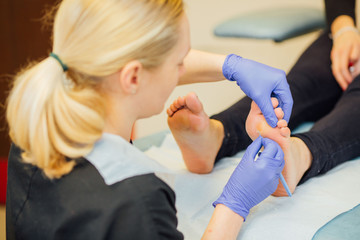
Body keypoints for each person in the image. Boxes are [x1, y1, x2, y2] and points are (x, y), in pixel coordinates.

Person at [5, 0, 291, 239]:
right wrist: (234, 205)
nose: (183, 68)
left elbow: (139, 62)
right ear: (132, 77)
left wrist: (230, 66)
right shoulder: (137, 205)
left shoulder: (36, 124)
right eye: (179, 62)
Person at [167, 0, 360, 197]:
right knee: (300, 83)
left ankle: (299, 155)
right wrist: (344, 30)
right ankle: (217, 135)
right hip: (353, 33)